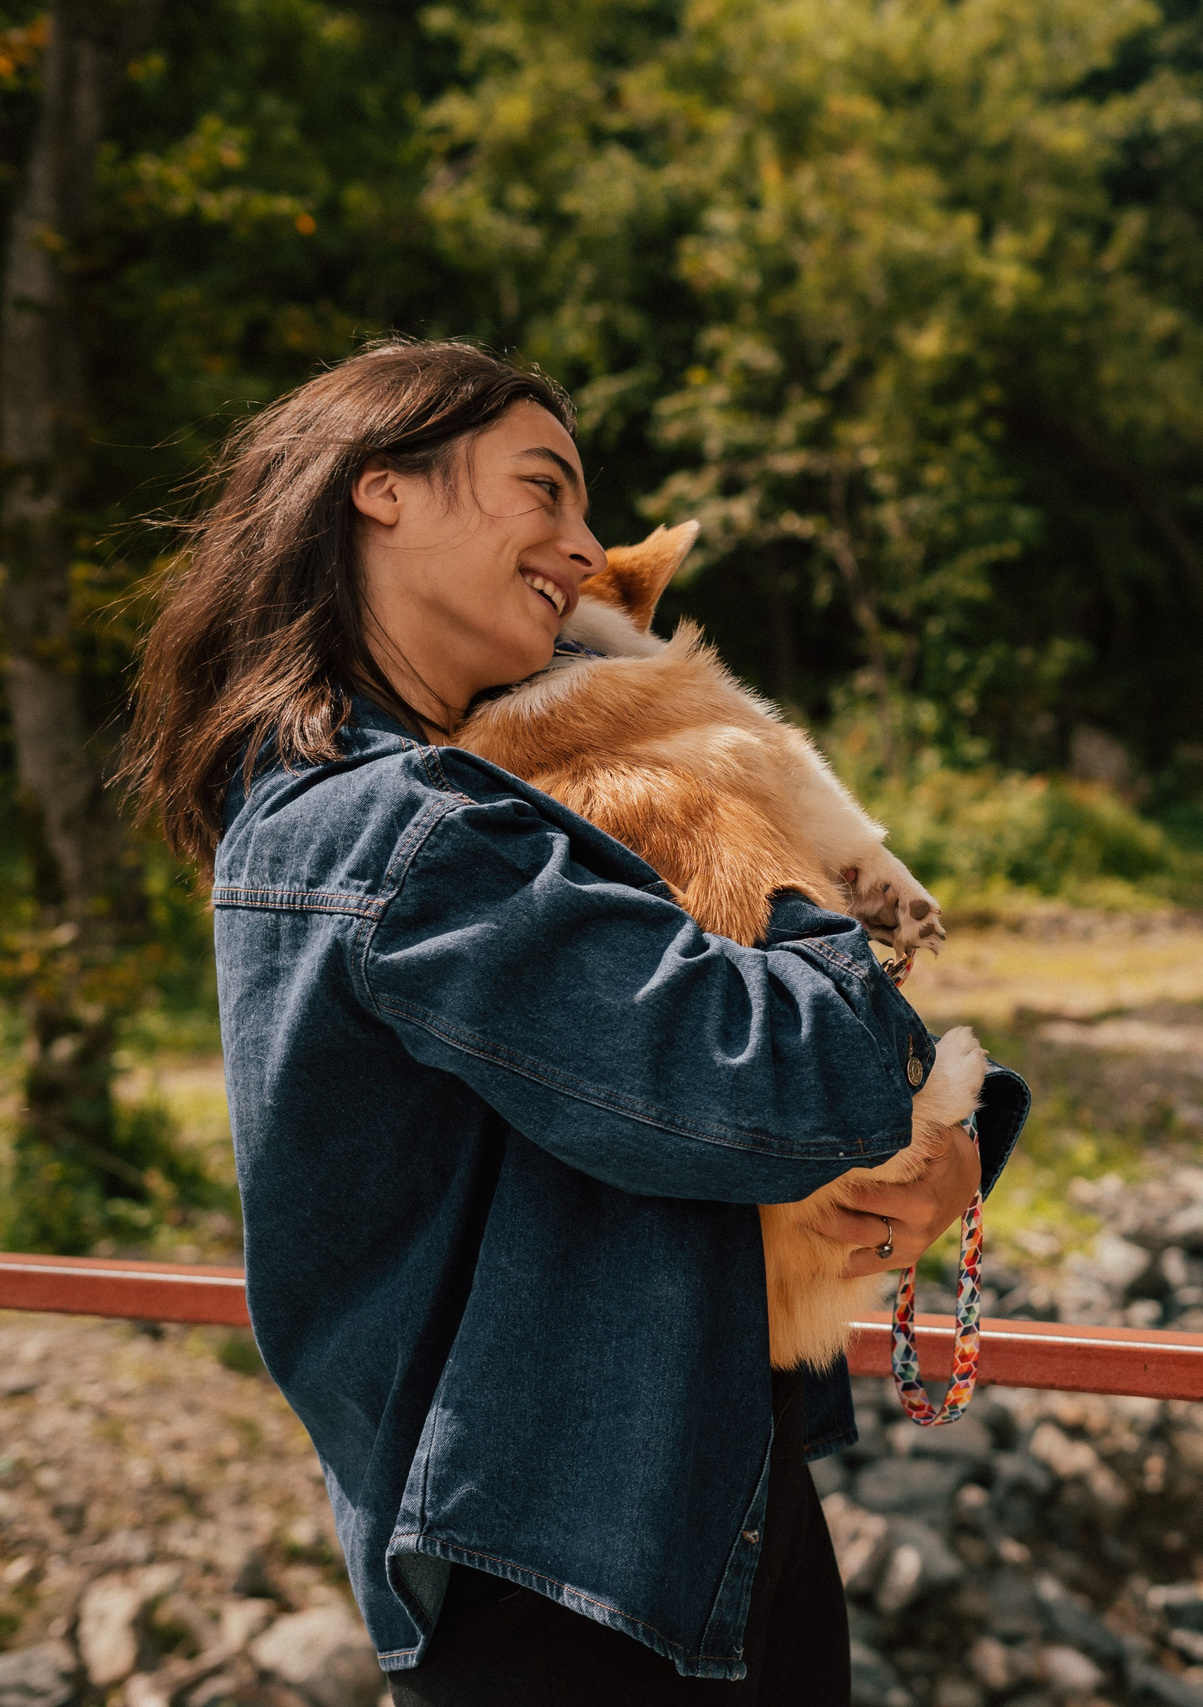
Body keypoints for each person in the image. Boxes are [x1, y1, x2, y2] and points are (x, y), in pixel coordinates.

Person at [125, 337, 1024, 1702]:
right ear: (383, 489)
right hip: (570, 1577)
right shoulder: (406, 835)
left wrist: (948, 1157)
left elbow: (698, 1100)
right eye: (543, 489)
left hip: (662, 1510)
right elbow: (782, 1075)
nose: (589, 549)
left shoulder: (419, 809)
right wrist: (749, 810)